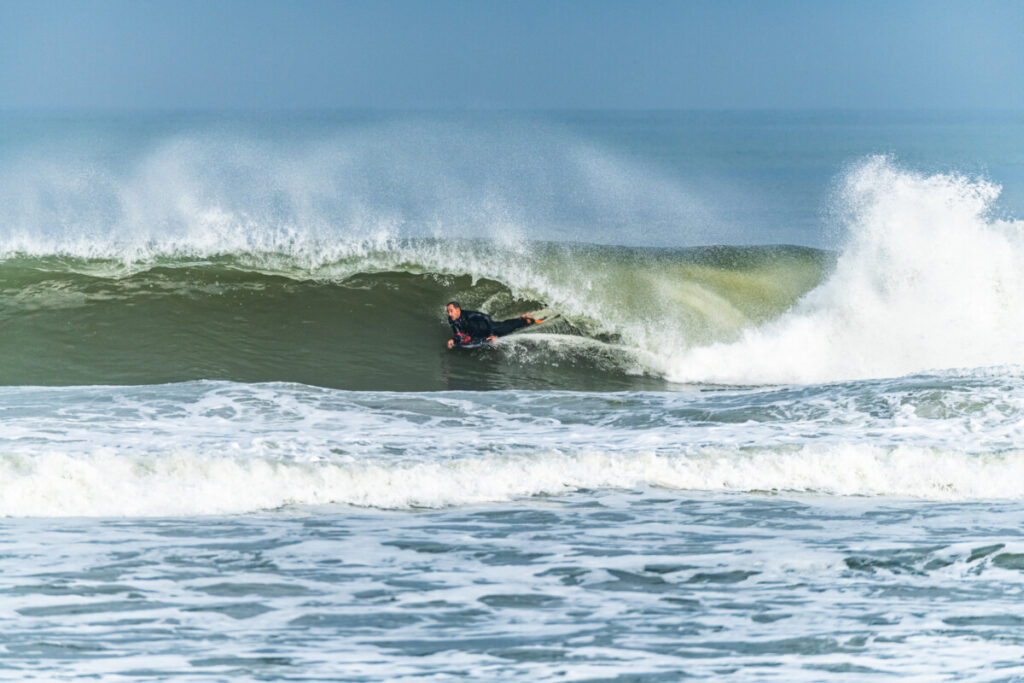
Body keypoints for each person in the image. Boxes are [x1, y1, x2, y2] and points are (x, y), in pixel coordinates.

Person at [445, 301, 538, 348]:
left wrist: (491, 334)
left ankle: (528, 320)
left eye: (451, 311)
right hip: (479, 333)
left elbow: (486, 317)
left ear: (458, 310)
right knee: (506, 324)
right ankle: (521, 319)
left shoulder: (470, 315)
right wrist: (453, 340)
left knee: (509, 327)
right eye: (448, 311)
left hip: (489, 328)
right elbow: (457, 333)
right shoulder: (452, 319)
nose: (449, 314)